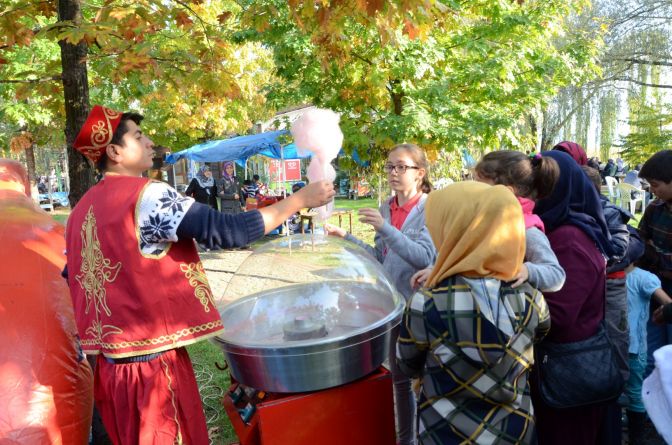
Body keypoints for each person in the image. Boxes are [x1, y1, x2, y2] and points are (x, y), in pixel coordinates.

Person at [65, 105, 334, 445]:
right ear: (115, 152)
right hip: (151, 369)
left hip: (109, 370)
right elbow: (227, 231)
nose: (150, 143)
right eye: (139, 136)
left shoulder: (80, 212)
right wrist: (299, 200)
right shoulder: (147, 196)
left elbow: (70, 277)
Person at [396, 181, 550, 445]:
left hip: (444, 434)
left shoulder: (426, 304)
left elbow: (407, 363)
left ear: (454, 234)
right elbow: (540, 333)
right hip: (513, 432)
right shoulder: (532, 298)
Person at [326, 143, 436, 445]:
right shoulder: (387, 207)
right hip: (391, 309)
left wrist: (385, 227)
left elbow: (423, 258)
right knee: (398, 380)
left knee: (423, 381)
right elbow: (381, 256)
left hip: (421, 310)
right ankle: (405, 441)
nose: (394, 173)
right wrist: (346, 238)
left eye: (402, 167)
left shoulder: (430, 208)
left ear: (419, 173)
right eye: (390, 166)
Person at [531, 150, 617, 445]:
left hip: (568, 374)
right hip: (562, 368)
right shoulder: (560, 227)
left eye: (535, 188)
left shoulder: (568, 238)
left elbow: (559, 316)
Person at [472, 150, 565, 292]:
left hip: (508, 310)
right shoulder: (483, 220)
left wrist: (527, 271)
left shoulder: (526, 230)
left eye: (480, 187)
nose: (474, 192)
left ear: (506, 193)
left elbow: (556, 275)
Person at [625, 259, 672, 444]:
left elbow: (667, 303)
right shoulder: (637, 277)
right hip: (632, 348)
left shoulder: (643, 278)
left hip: (633, 349)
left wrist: (668, 311)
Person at [638, 150, 672, 377]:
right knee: (653, 356)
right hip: (657, 289)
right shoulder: (654, 208)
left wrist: (657, 251)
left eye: (656, 184)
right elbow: (639, 240)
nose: (652, 190)